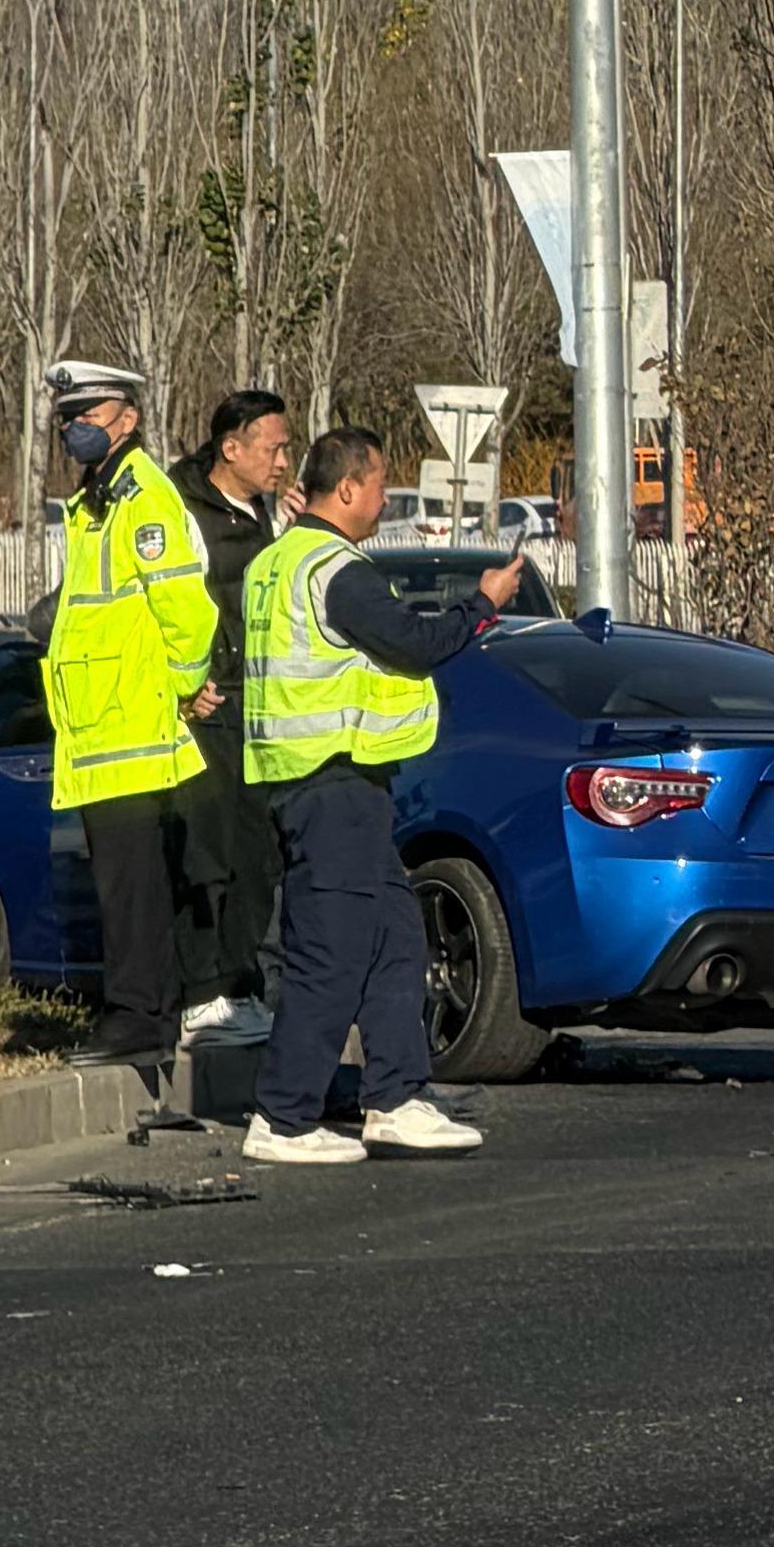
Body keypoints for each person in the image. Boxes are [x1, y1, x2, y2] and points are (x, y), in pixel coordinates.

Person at [241, 427, 520, 1168]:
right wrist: (481, 604)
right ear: (347, 490)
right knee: (330, 952)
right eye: (380, 485)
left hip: (331, 781)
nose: (386, 499)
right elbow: (415, 643)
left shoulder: (278, 562)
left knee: (396, 938)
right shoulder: (337, 570)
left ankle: (396, 1098)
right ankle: (284, 1114)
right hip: (328, 779)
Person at [39, 351, 222, 1096]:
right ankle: (141, 1006)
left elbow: (186, 608)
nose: (75, 429)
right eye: (67, 419)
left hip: (134, 724)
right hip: (103, 724)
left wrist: (185, 688)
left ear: (128, 418)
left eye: (87, 415)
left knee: (131, 884)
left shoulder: (142, 498)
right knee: (127, 883)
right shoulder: (96, 502)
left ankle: (138, 1014)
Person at [167, 384, 297, 1046]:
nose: (282, 461)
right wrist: (188, 682)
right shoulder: (183, 509)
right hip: (207, 708)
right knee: (206, 853)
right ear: (231, 448)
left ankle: (239, 987)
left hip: (262, 707)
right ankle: (200, 993)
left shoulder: (270, 513)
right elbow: (176, 603)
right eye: (272, 448)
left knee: (259, 855)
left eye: (286, 448)